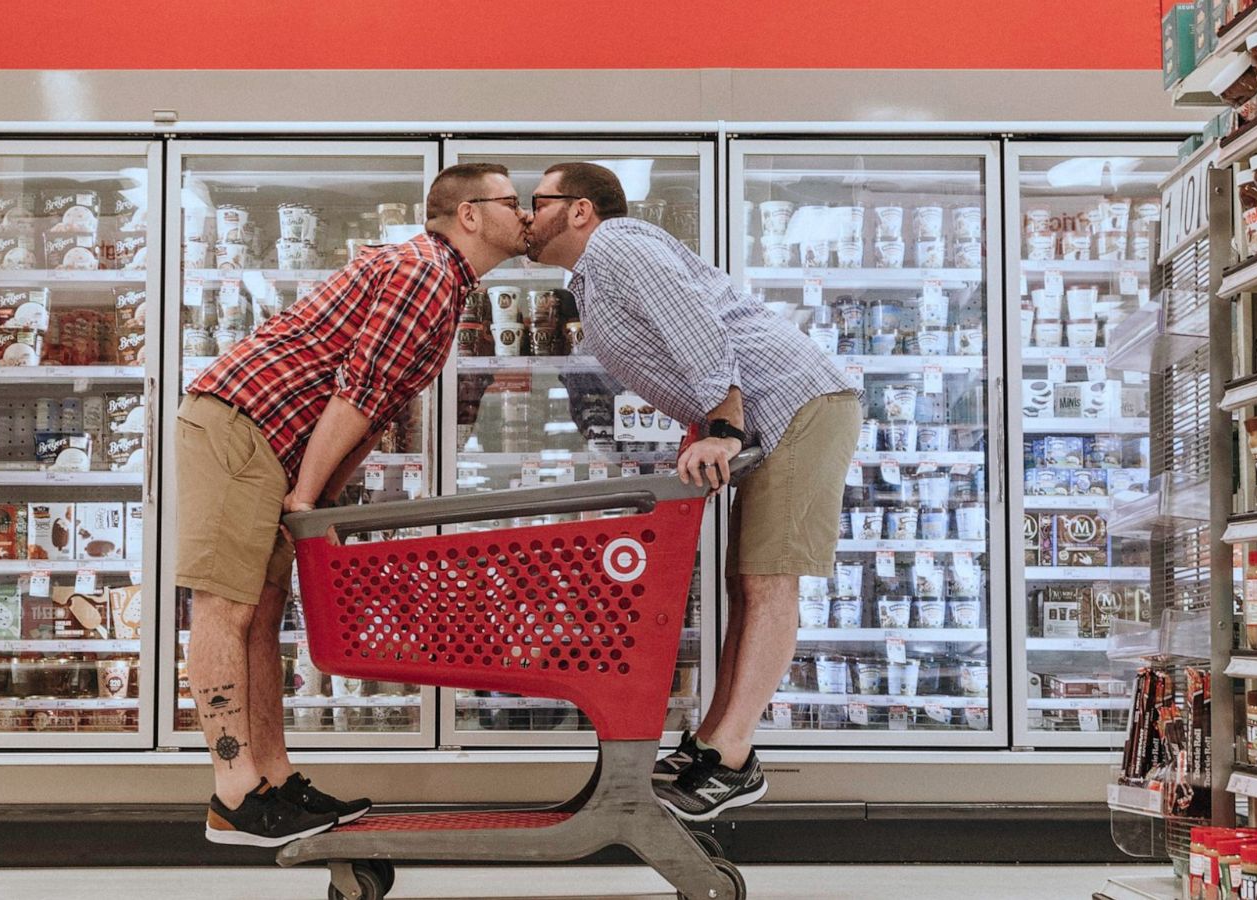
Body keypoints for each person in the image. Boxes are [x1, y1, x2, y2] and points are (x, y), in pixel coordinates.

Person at [178, 162, 529, 847]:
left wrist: (322, 500)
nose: (525, 215)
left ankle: (273, 778)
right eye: (513, 202)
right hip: (241, 423)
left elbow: (374, 410)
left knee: (263, 613)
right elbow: (359, 391)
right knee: (226, 607)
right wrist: (308, 496)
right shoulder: (427, 271)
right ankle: (234, 790)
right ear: (469, 215)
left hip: (275, 440)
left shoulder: (446, 283)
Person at [525, 162, 862, 821]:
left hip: (796, 404)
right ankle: (711, 743)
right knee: (747, 586)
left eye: (537, 202)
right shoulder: (592, 277)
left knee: (769, 585)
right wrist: (700, 438)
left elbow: (697, 329)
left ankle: (733, 757)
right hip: (772, 418)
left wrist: (724, 425)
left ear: (581, 210)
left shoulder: (617, 244)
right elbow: (677, 359)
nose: (527, 218)